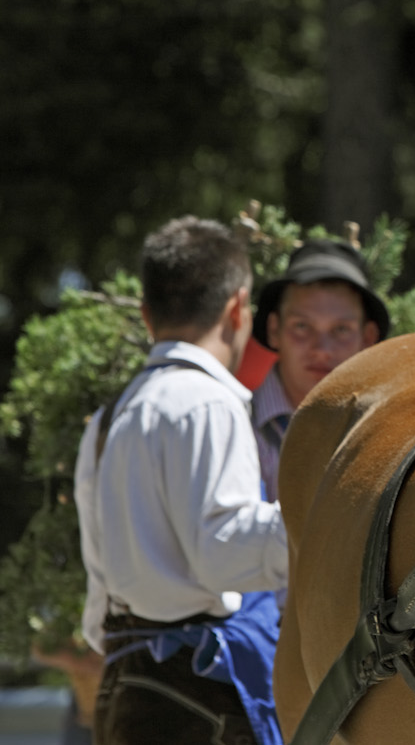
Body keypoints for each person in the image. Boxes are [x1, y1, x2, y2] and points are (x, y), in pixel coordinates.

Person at [73, 216, 287, 745]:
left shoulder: (109, 416)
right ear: (239, 309)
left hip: (124, 683)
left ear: (146, 316)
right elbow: (224, 552)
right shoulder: (210, 402)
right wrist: (327, 517)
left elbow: (97, 588)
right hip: (195, 693)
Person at [249, 239, 389, 502]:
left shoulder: (389, 434)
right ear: (274, 329)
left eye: (341, 330)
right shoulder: (232, 422)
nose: (322, 350)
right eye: (302, 326)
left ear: (368, 338)